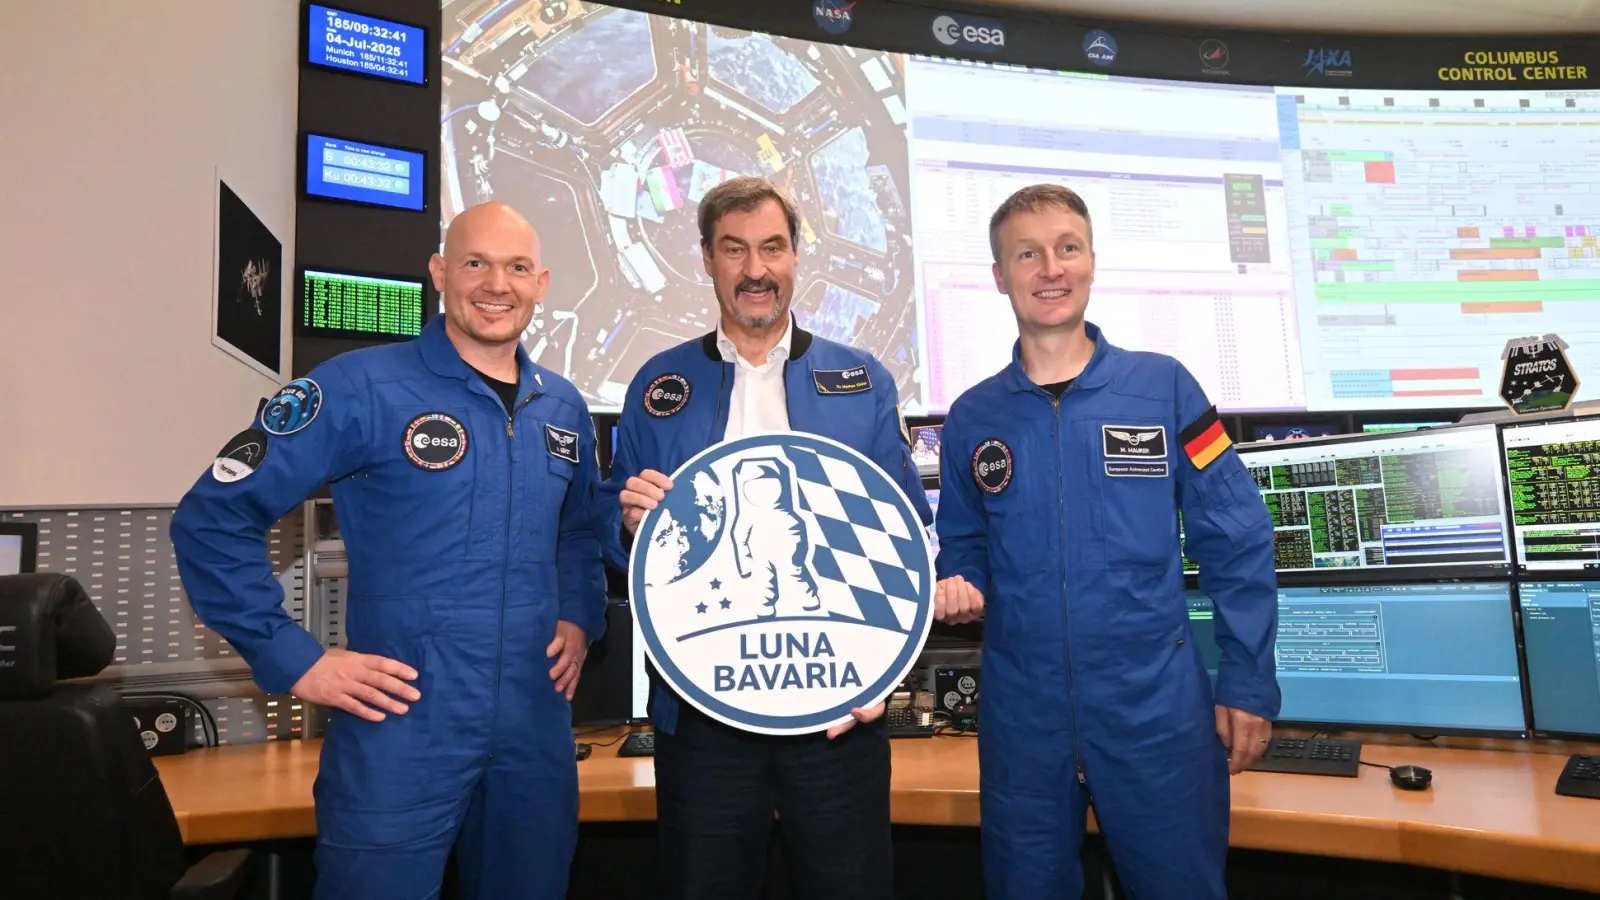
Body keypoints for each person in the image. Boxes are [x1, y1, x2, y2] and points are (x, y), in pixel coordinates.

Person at [170, 202, 607, 900]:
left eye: (517, 267)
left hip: (534, 726)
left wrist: (579, 615)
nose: (497, 285)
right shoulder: (358, 387)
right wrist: (295, 658)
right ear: (439, 272)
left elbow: (578, 530)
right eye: (475, 263)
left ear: (542, 283)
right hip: (401, 725)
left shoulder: (563, 407)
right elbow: (211, 518)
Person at [932, 183, 1279, 899]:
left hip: (1155, 714)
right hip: (1023, 722)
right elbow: (963, 543)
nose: (1050, 269)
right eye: (1027, 254)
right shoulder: (972, 417)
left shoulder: (1166, 391)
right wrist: (960, 581)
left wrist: (1247, 680)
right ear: (999, 276)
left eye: (1067, 248)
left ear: (1091, 260)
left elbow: (1239, 536)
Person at [608, 176, 931, 899]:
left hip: (837, 710)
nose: (756, 270)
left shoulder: (862, 378)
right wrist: (629, 521)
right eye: (735, 250)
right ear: (707, 259)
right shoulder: (659, 384)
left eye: (772, 248)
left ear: (795, 256)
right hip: (703, 715)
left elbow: (906, 532)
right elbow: (612, 526)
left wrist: (883, 674)